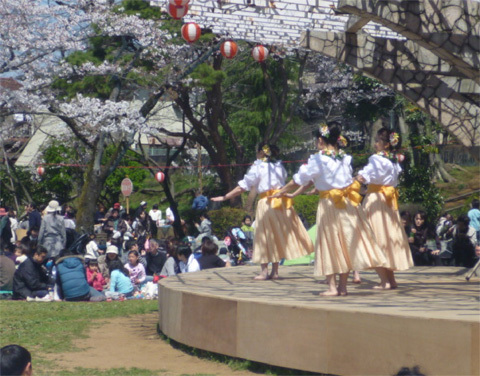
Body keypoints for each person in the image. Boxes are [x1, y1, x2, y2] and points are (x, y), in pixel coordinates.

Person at [273, 124, 386, 296]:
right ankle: (342, 287)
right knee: (346, 243)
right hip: (348, 203)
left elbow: (300, 178)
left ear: (320, 140)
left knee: (331, 243)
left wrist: (283, 190)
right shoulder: (344, 158)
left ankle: (333, 287)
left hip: (329, 204)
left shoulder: (319, 159)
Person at [212, 143, 313, 280]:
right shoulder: (278, 165)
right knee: (275, 235)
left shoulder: (258, 166)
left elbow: (243, 186)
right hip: (280, 203)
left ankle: (264, 271)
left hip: (267, 202)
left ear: (261, 152)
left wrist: (225, 197)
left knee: (263, 237)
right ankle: (275, 271)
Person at [356, 128, 413, 289]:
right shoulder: (393, 160)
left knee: (374, 239)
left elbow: (363, 177)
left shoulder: (376, 159)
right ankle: (390, 280)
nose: (375, 144)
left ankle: (384, 281)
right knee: (386, 238)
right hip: (388, 202)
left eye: (378, 141)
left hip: (376, 201)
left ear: (386, 144)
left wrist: (350, 183)